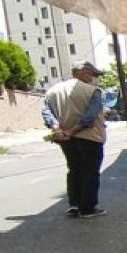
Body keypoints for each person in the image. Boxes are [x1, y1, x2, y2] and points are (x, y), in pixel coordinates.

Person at [42, 61, 108, 218]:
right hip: (89, 137)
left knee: (74, 170)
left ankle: (74, 204)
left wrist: (58, 130)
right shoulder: (93, 91)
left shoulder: (52, 91)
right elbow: (89, 117)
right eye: (92, 75)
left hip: (65, 139)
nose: (93, 79)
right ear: (83, 73)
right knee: (90, 172)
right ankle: (88, 208)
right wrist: (72, 131)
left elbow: (46, 113)